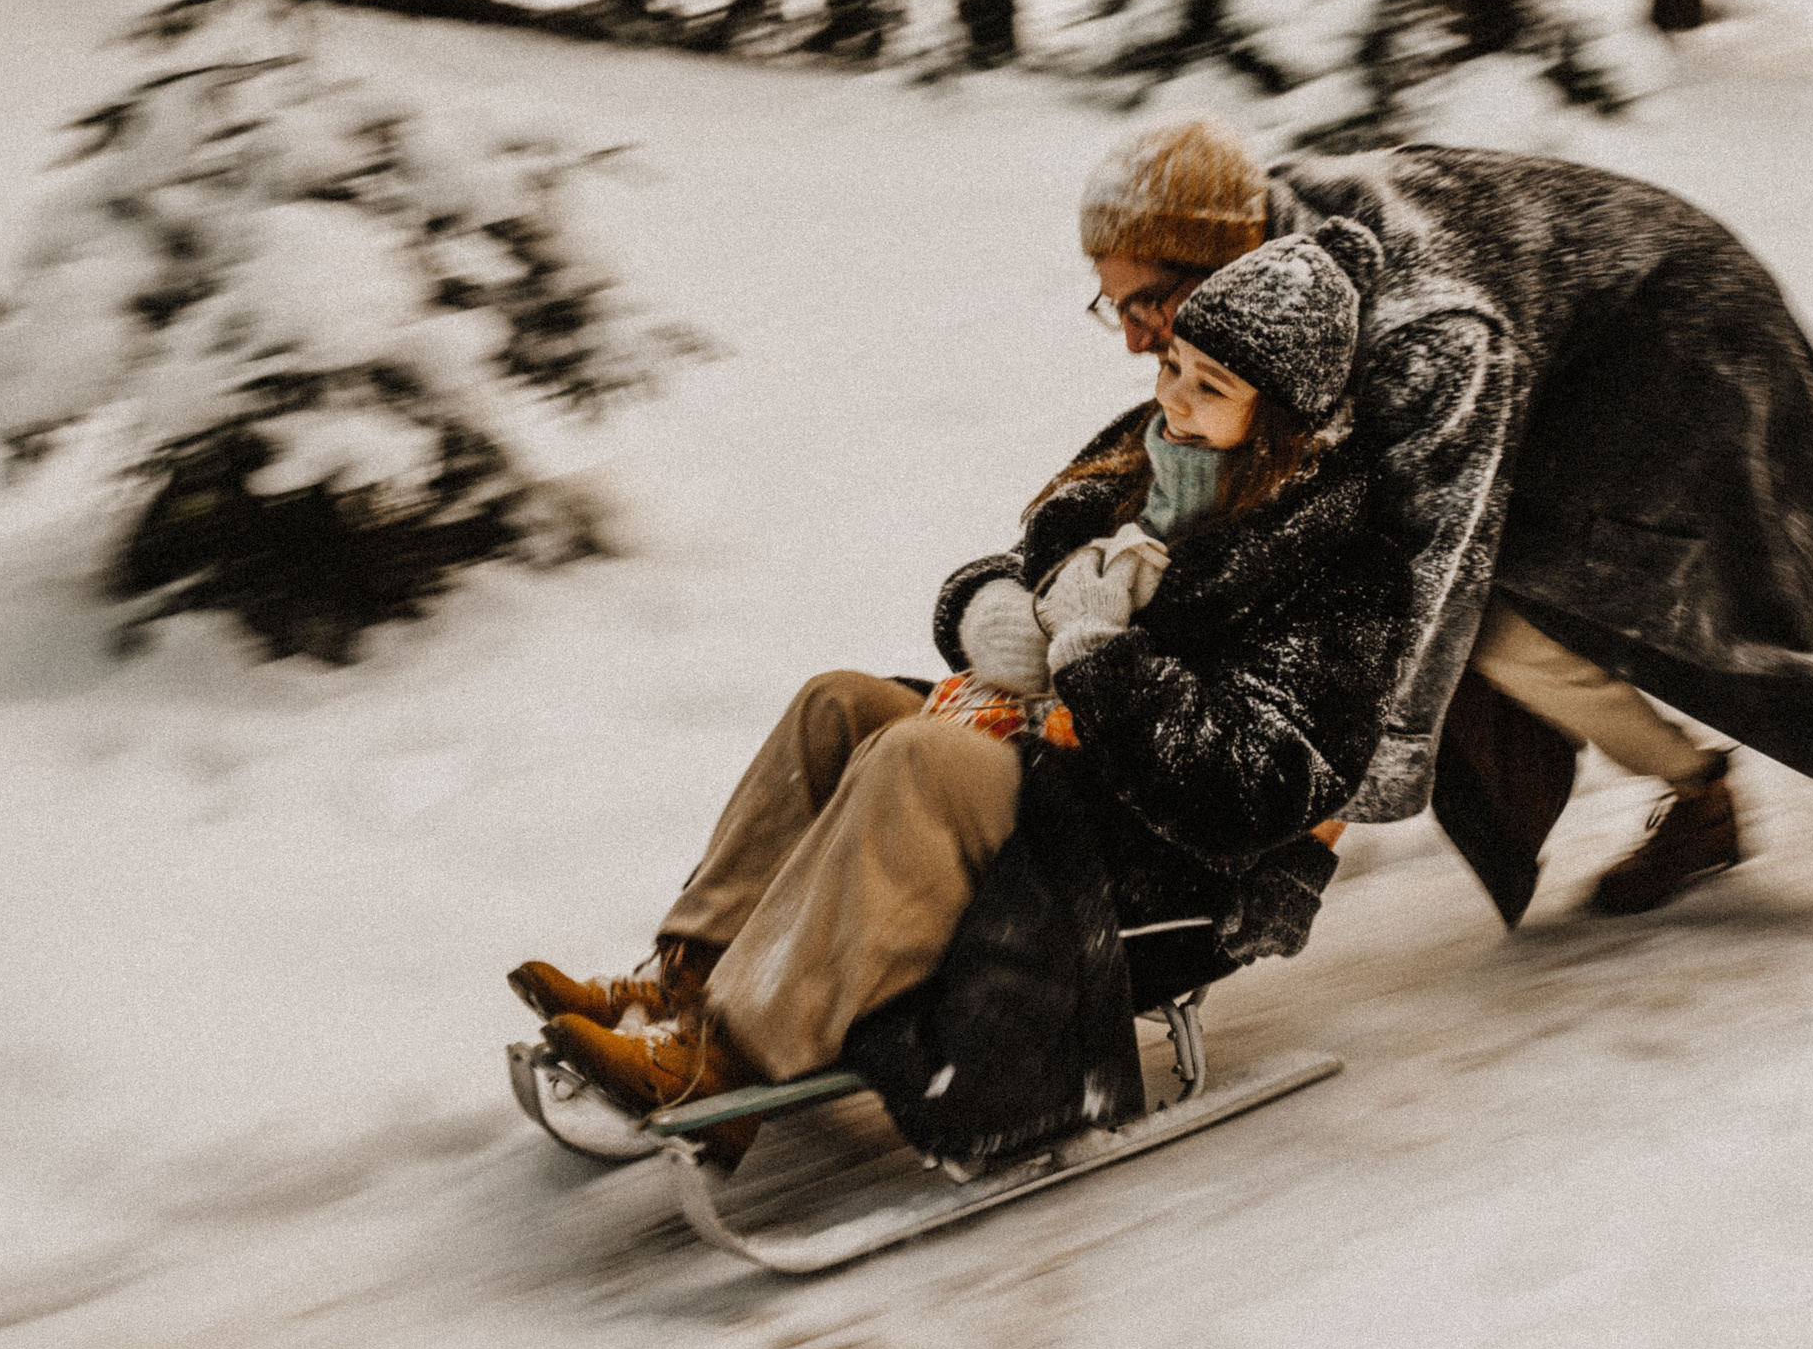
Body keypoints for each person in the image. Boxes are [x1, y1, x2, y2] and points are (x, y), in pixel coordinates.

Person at [510, 221, 1410, 1168]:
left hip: (1151, 855)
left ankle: (722, 1062)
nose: (1170, 397)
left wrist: (1103, 658)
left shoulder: (1344, 570)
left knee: (917, 758)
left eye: (1209, 386)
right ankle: (686, 981)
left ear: (1281, 420)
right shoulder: (1147, 460)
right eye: (1172, 365)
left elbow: (1257, 787)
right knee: (838, 704)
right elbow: (1020, 560)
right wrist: (993, 611)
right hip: (1048, 765)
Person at [1068, 114, 1813, 924]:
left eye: (1147, 305)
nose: (1137, 340)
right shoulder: (1263, 278)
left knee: (1728, 601)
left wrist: (1316, 829)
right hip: (1544, 347)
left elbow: (1431, 577)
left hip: (1673, 333)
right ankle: (1699, 796)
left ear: (1222, 260)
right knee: (1503, 628)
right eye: (1116, 306)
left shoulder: (1424, 327)